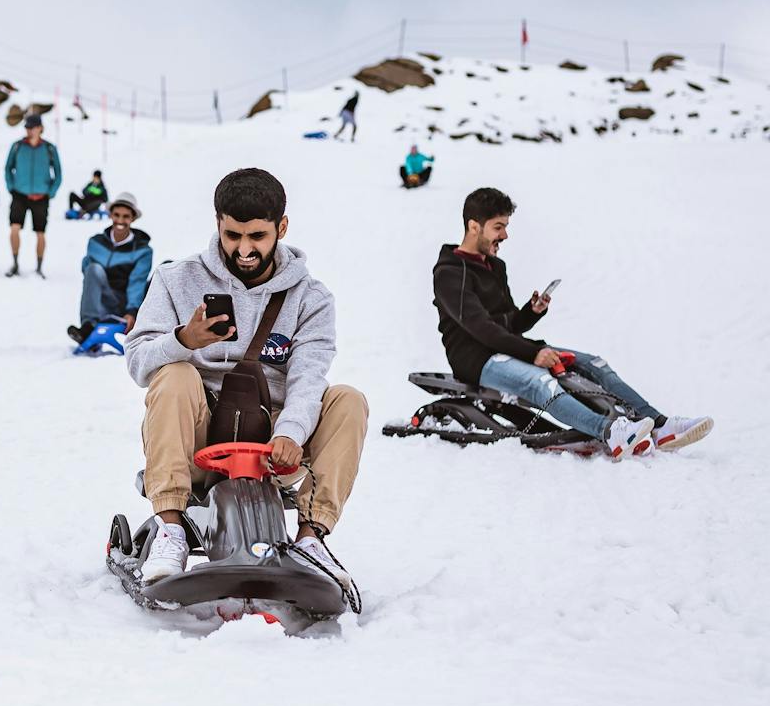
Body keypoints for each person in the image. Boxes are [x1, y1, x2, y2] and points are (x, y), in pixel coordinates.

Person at [126, 168, 366, 587]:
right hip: (200, 433)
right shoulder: (175, 279)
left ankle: (311, 540)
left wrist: (291, 432)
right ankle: (169, 528)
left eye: (257, 236)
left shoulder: (312, 298)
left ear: (281, 228)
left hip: (272, 445)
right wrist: (184, 339)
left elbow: (309, 374)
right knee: (175, 374)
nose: (244, 249)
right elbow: (138, 363)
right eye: (233, 235)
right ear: (218, 224)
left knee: (348, 399)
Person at [433, 188, 712, 458]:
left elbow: (509, 325)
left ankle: (659, 425)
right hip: (476, 359)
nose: (505, 235)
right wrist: (533, 353)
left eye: (505, 226)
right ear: (473, 227)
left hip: (507, 348)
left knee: (593, 364)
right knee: (539, 381)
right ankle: (610, 431)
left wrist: (531, 311)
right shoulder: (449, 272)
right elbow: (481, 327)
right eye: (498, 227)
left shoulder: (496, 266)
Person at [67, 192, 152, 343]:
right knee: (94, 269)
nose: (120, 220)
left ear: (132, 218)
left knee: (166, 270)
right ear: (110, 215)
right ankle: (88, 327)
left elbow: (136, 282)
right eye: (116, 215)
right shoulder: (96, 243)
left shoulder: (142, 250)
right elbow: (88, 272)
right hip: (104, 300)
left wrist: (132, 311)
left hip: (127, 302)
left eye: (126, 216)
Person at [3, 112, 62, 277]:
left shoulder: (49, 149)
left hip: (41, 196)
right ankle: (14, 263)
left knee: (40, 232)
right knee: (14, 229)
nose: (29, 130)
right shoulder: (17, 146)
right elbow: (8, 168)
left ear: (40, 128)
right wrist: (11, 187)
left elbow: (58, 173)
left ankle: (39, 266)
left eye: (33, 127)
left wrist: (50, 192)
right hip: (19, 194)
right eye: (27, 127)